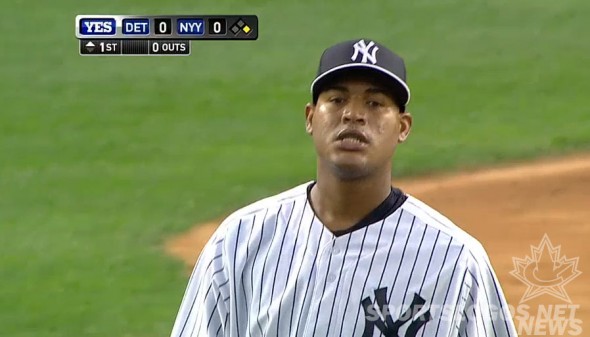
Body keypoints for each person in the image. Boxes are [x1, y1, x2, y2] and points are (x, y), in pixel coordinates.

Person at [169, 38, 518, 337]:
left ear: (403, 127)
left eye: (375, 103)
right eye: (337, 100)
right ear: (310, 118)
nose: (353, 115)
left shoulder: (454, 259)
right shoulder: (240, 240)